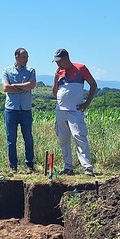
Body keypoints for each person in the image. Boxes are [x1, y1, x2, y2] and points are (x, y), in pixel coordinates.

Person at [52, 48, 98, 176]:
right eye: (56, 61)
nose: (57, 64)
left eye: (59, 61)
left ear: (66, 58)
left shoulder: (81, 68)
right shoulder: (58, 72)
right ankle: (68, 167)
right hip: (60, 110)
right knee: (63, 139)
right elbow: (55, 93)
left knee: (79, 136)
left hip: (75, 110)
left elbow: (93, 85)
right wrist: (55, 79)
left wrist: (87, 103)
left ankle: (87, 167)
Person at [1, 47, 36, 174]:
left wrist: (14, 86)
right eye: (24, 57)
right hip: (11, 109)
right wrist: (23, 88)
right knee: (11, 139)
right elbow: (5, 88)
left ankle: (29, 165)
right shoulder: (6, 71)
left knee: (28, 138)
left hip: (26, 109)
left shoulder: (31, 70)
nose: (26, 60)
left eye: (27, 57)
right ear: (16, 57)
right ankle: (13, 166)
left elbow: (31, 85)